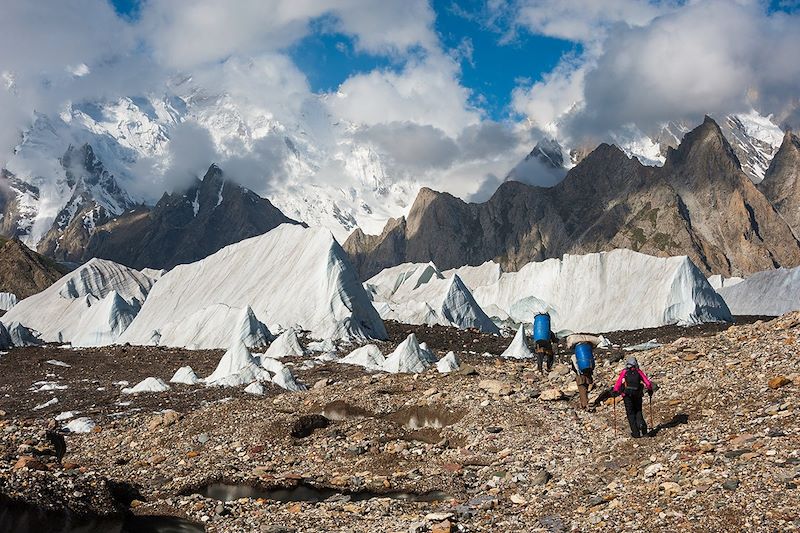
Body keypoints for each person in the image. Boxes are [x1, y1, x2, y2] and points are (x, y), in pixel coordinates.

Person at [612, 357, 654, 438]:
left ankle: (635, 433)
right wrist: (650, 390)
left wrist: (615, 391)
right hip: (637, 394)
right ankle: (642, 427)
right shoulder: (638, 371)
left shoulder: (625, 371)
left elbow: (618, 382)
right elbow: (647, 383)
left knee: (630, 413)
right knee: (638, 410)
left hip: (627, 395)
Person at [569, 342, 595, 410]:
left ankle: (585, 405)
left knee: (582, 391)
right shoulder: (587, 354)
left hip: (580, 376)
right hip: (588, 375)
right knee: (586, 390)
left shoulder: (574, 357)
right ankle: (586, 403)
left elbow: (574, 368)